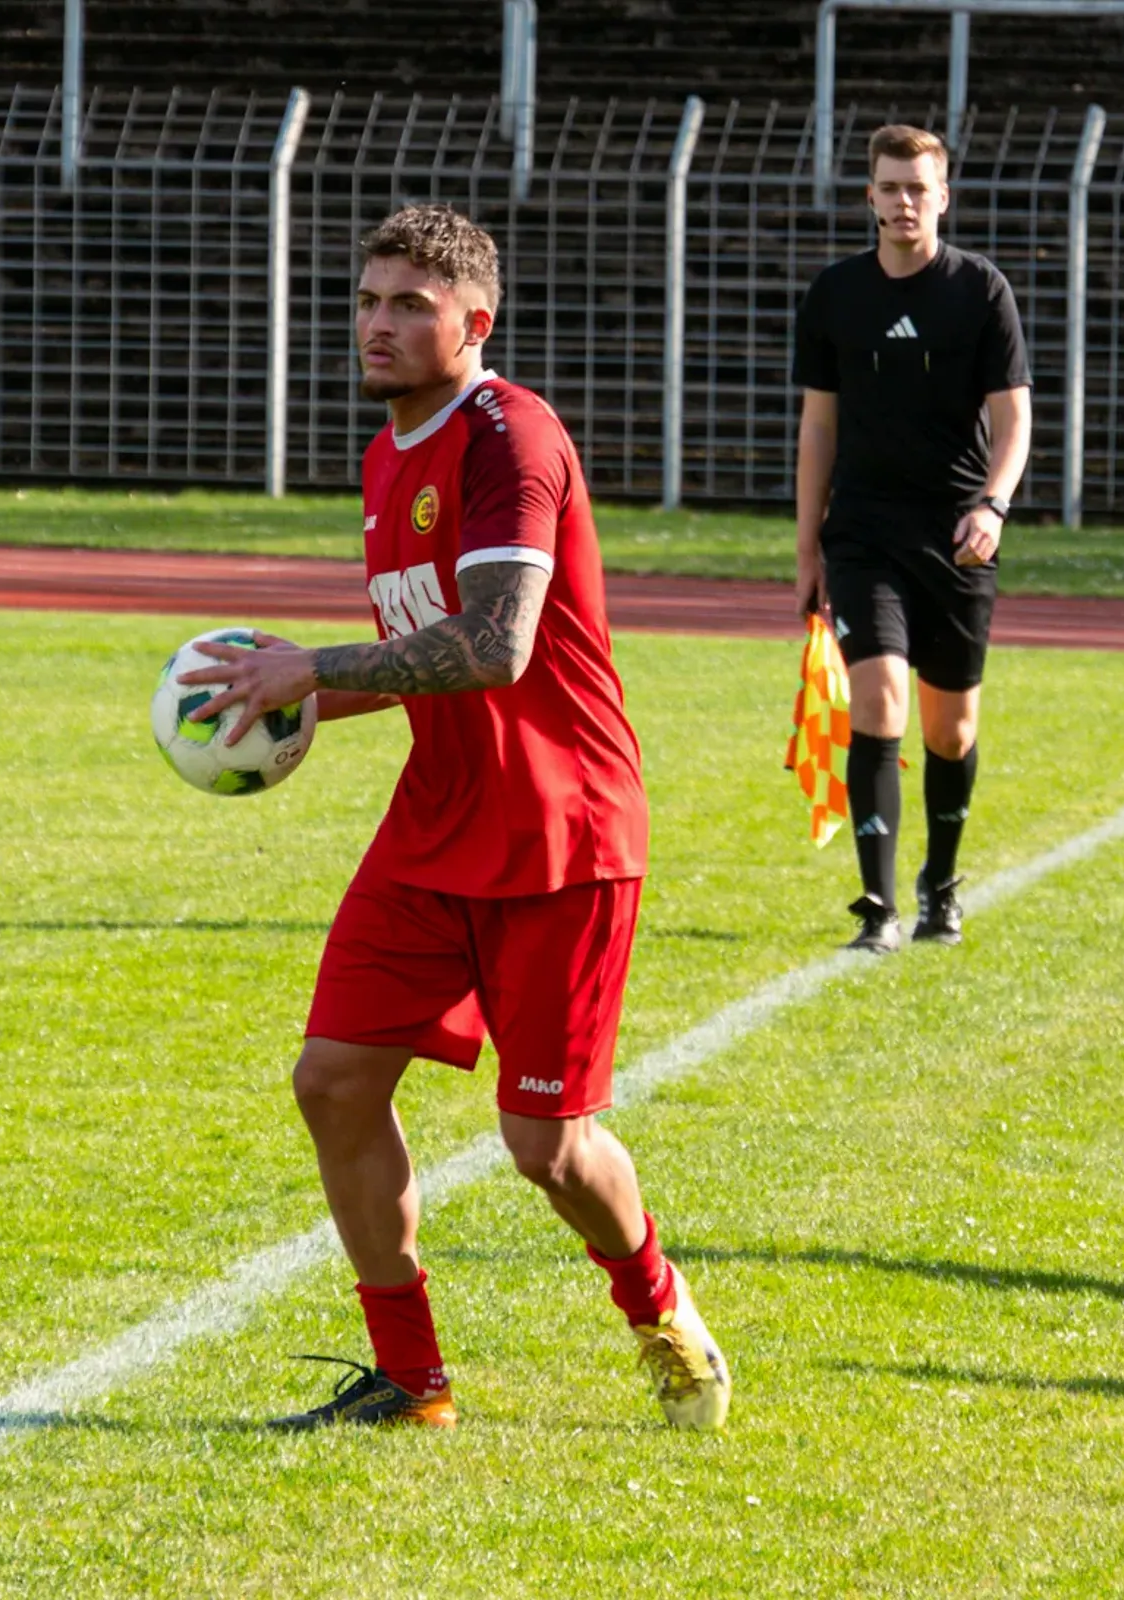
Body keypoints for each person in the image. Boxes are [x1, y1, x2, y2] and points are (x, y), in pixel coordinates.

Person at [181, 203, 730, 1432]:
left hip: (561, 828)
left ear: (474, 323)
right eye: (369, 299)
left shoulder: (510, 437)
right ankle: (410, 1378)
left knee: (549, 1146)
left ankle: (658, 1309)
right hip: (437, 825)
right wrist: (300, 698)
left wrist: (316, 670)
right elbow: (421, 641)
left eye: (410, 306)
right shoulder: (388, 453)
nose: (379, 324)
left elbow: (495, 644)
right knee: (331, 1080)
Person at [793, 123, 1033, 954]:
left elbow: (1014, 420)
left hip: (958, 537)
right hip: (862, 536)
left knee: (950, 732)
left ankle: (942, 886)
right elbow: (817, 428)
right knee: (878, 699)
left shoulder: (981, 291)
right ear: (869, 196)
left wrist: (993, 506)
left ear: (943, 198)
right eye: (889, 187)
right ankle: (879, 905)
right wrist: (806, 552)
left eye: (918, 188)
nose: (903, 202)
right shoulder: (835, 295)